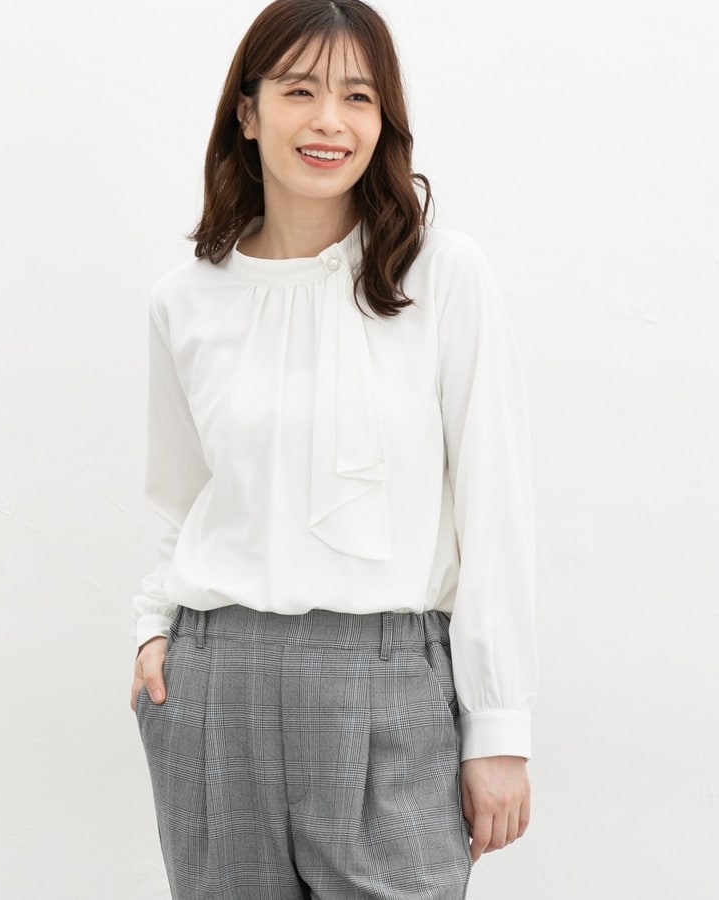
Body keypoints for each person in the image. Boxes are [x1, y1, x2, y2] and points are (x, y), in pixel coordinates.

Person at [130, 0, 537, 897]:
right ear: (247, 111)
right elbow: (179, 498)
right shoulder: (185, 300)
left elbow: (494, 504)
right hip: (214, 687)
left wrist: (499, 727)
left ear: (384, 119)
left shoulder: (442, 276)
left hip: (389, 682)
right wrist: (152, 628)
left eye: (358, 96)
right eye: (299, 91)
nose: (329, 121)